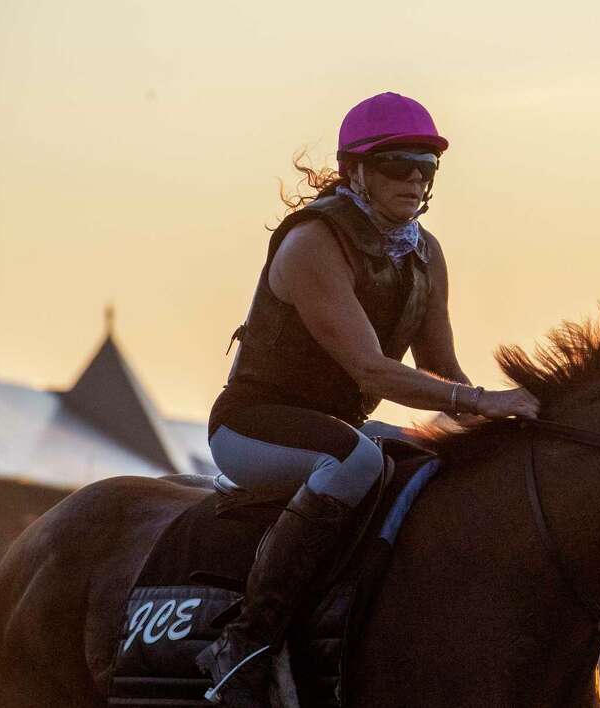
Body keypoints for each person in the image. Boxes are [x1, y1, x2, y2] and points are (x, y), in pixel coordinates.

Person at [196, 92, 539, 707]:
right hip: (252, 427)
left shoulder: (425, 252)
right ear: (355, 170)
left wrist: (503, 420)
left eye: (425, 167)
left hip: (337, 428)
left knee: (430, 462)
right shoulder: (312, 244)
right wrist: (483, 401)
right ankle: (244, 645)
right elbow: (373, 372)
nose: (413, 179)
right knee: (356, 460)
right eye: (396, 166)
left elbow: (441, 370)